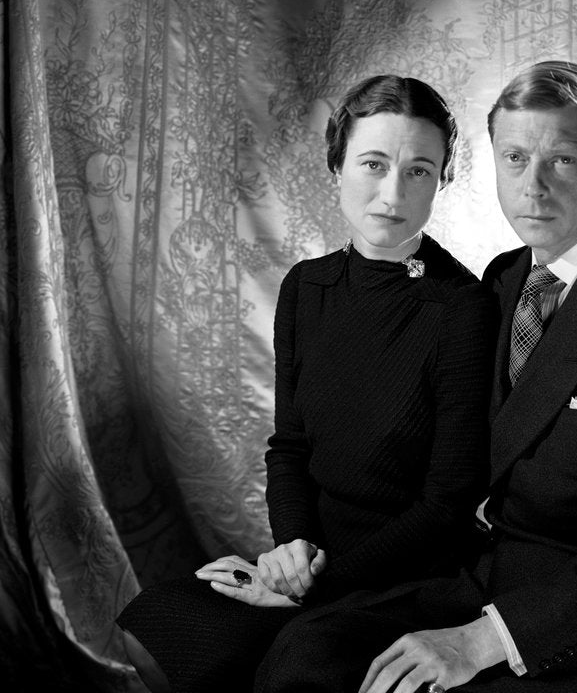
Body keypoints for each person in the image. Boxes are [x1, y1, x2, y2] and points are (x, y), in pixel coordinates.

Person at [253, 60, 577, 693]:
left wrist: (480, 641)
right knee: (309, 654)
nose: (534, 188)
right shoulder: (504, 278)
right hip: (504, 573)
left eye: (563, 160)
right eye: (515, 159)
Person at [116, 74, 497, 693]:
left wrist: (314, 584)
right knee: (153, 626)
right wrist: (290, 552)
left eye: (419, 171)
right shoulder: (306, 288)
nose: (392, 193)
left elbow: (447, 506)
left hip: (411, 578)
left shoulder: (462, 309)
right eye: (373, 164)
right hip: (310, 564)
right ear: (336, 164)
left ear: (444, 180)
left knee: (292, 665)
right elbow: (288, 447)